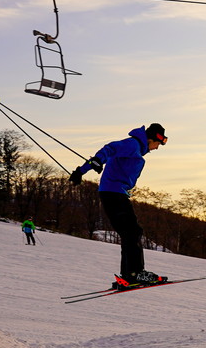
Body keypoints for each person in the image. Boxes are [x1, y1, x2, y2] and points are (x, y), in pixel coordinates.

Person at [69, 123, 167, 287]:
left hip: (114, 193)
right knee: (132, 232)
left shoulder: (136, 149)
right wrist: (94, 163)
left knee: (129, 233)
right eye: (159, 143)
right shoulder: (133, 144)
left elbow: (104, 156)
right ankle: (136, 273)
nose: (157, 148)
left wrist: (81, 171)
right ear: (152, 138)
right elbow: (109, 148)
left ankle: (129, 275)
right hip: (114, 193)